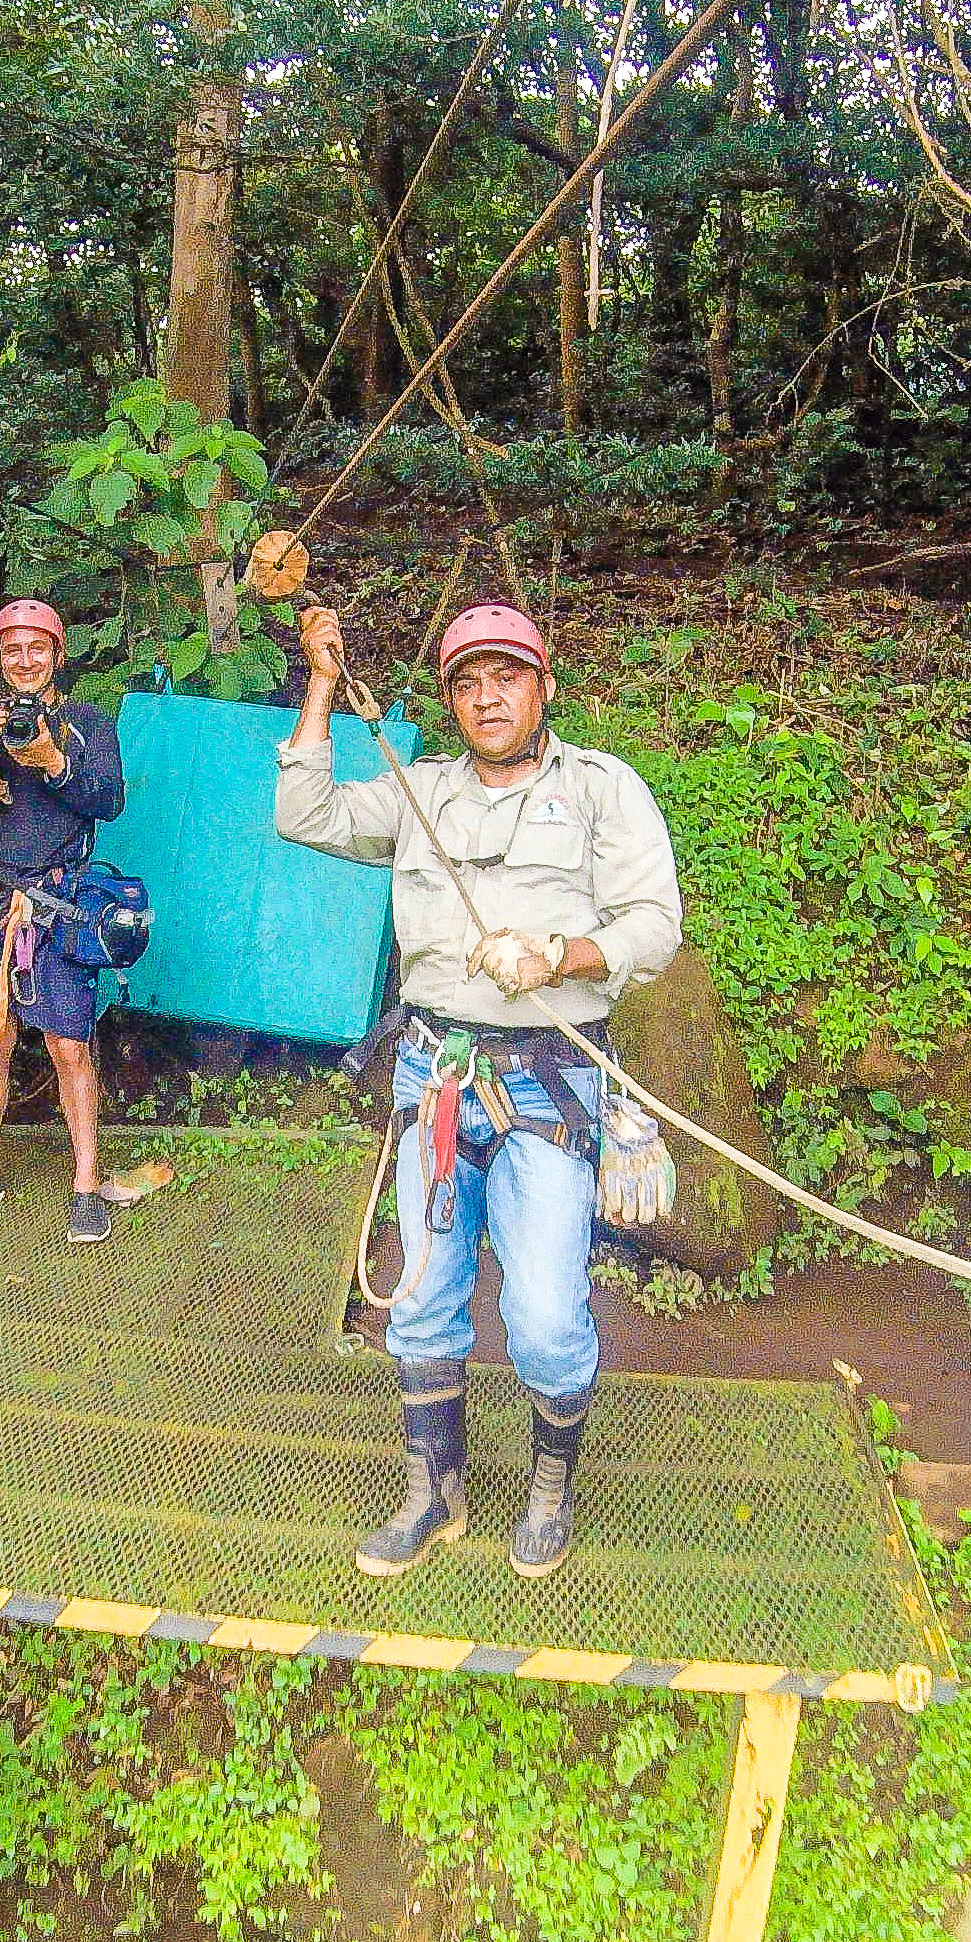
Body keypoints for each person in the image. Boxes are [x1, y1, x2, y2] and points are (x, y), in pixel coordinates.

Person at [277, 600, 682, 1582]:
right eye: (466, 682)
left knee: (543, 1321)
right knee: (418, 1302)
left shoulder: (599, 790)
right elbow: (302, 813)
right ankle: (435, 1493)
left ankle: (550, 1484)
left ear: (542, 687)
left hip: (547, 1081)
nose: (486, 697)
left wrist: (559, 955)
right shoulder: (418, 794)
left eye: (506, 676)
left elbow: (653, 926)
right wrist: (322, 684)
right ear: (450, 701)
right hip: (434, 1076)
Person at [0, 599, 126, 1240]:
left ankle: (87, 1184)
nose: (26, 660)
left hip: (56, 906)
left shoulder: (85, 724)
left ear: (57, 657)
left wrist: (55, 764)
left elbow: (109, 800)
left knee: (68, 1045)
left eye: (37, 648)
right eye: (13, 649)